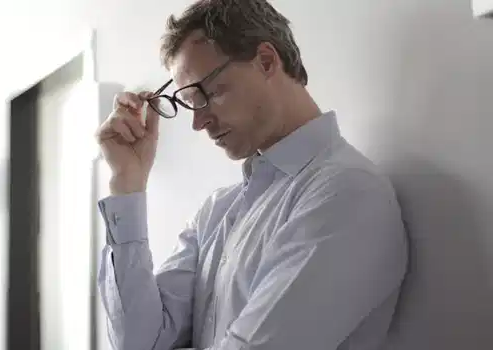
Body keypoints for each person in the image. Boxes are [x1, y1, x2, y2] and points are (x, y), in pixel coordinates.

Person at [93, 0, 408, 349]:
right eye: (189, 104)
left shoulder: (347, 194)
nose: (199, 122)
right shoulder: (216, 212)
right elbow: (138, 342)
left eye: (208, 93)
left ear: (266, 61)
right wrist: (127, 183)